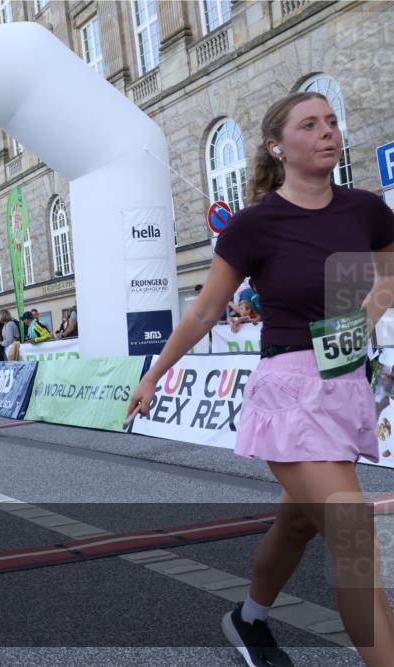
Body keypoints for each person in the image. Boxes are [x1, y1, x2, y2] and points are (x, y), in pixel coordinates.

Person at [127, 91, 394, 667]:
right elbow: (203, 312)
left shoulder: (365, 210)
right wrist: (154, 375)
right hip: (290, 390)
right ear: (279, 146)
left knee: (299, 521)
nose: (327, 132)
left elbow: (390, 270)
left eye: (331, 122)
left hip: (347, 385)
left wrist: (370, 312)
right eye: (310, 125)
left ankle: (249, 620)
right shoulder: (255, 225)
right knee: (352, 536)